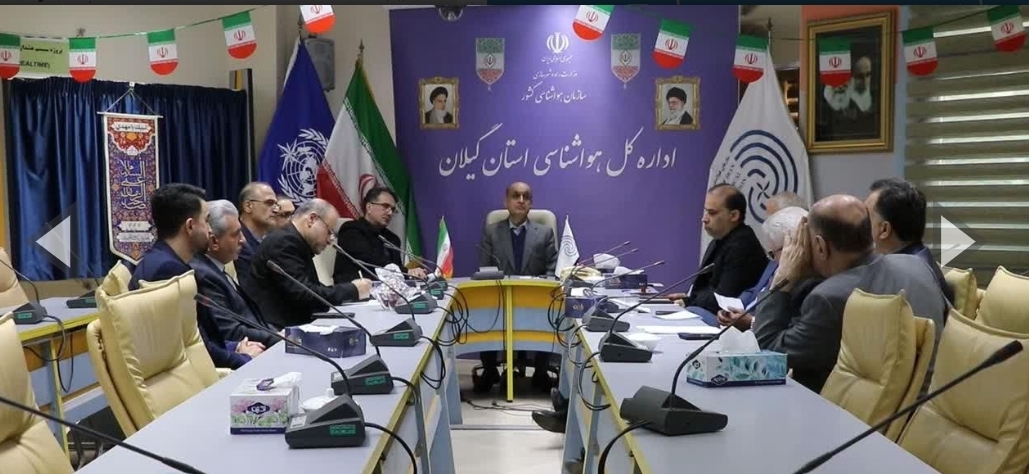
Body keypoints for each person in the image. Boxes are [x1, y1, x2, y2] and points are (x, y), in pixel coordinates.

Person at [752, 195, 948, 393]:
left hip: (859, 408)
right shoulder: (916, 264)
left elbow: (768, 355)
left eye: (804, 241)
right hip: (929, 399)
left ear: (820, 246)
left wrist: (781, 281)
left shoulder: (829, 297)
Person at [129, 184, 263, 369]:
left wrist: (236, 347)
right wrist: (245, 359)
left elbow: (197, 340)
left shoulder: (163, 260)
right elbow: (194, 347)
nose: (210, 230)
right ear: (190, 226)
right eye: (206, 221)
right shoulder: (169, 272)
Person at [475, 182, 558, 393]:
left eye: (526, 196)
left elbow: (552, 270)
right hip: (500, 299)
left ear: (531, 203)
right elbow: (485, 269)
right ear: (506, 201)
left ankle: (540, 374)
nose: (521, 200)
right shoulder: (492, 231)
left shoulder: (545, 232)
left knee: (552, 313)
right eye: (515, 196)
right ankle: (490, 371)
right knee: (484, 312)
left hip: (536, 302)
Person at [242, 198, 373, 330]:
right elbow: (305, 294)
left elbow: (310, 287)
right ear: (312, 219)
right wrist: (352, 290)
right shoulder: (284, 242)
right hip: (276, 330)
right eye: (329, 232)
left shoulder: (295, 241)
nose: (330, 240)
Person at [667, 184, 768, 325]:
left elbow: (722, 299)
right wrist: (687, 298)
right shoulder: (720, 239)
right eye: (705, 211)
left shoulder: (743, 246)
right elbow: (706, 287)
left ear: (734, 215)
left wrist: (690, 300)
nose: (704, 218)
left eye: (712, 213)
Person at [191, 200, 279, 348]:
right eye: (236, 234)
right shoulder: (203, 275)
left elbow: (252, 320)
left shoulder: (217, 268)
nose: (243, 240)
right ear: (214, 241)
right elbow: (229, 330)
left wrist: (280, 334)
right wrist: (279, 338)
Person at [718, 206, 812, 331]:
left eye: (773, 253)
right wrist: (732, 308)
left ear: (790, 246)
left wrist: (751, 322)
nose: (773, 260)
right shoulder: (778, 263)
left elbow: (788, 329)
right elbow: (756, 290)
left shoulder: (806, 281)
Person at [865, 178, 954, 305]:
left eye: (866, 218)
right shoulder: (921, 260)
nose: (861, 224)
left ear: (884, 229)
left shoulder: (900, 279)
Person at [333, 186, 428, 282]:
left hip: (391, 288)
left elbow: (397, 269)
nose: (390, 212)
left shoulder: (392, 239)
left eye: (392, 209)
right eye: (385, 206)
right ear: (369, 207)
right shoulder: (351, 229)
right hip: (355, 287)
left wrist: (414, 275)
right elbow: (371, 261)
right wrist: (407, 271)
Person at [236, 182, 280, 288]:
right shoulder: (236, 240)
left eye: (276, 204)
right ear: (248, 206)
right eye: (269, 203)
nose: (276, 210)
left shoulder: (269, 242)